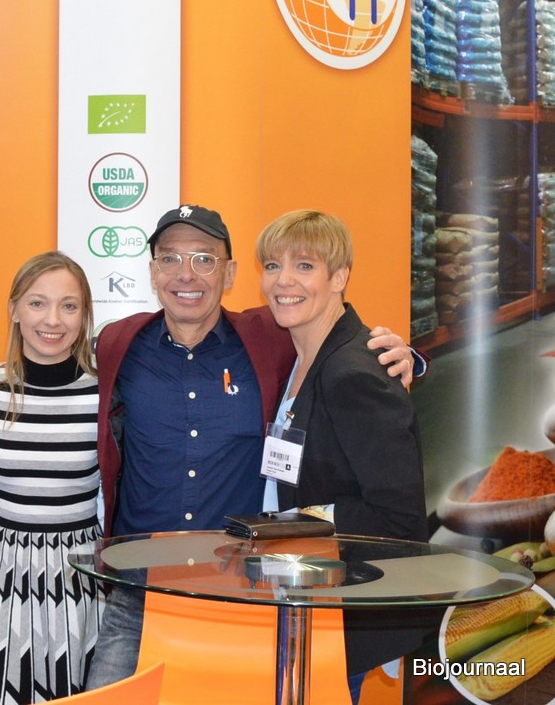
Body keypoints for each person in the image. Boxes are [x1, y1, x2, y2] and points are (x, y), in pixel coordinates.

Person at [86, 204, 419, 688]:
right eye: (170, 258)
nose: (186, 274)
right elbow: (49, 358)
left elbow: (345, 347)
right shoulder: (119, 343)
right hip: (139, 594)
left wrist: (405, 357)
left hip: (241, 598)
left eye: (204, 259)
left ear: (230, 273)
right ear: (153, 271)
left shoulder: (269, 339)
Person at [256, 209, 429, 702]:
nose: (284, 281)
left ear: (339, 277)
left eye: (304, 266)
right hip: (302, 599)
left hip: (340, 609)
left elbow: (399, 515)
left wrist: (298, 519)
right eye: (272, 265)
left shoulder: (351, 371)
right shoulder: (305, 352)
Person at [0, 252, 101, 705]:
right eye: (38, 303)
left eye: (68, 306)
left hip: (82, 577)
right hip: (8, 577)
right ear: (14, 310)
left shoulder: (105, 394)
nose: (53, 320)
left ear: (84, 315)